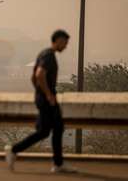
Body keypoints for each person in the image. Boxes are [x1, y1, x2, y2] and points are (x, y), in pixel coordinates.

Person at [5, 30, 77, 173]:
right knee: (46, 131)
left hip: (44, 98)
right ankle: (14, 150)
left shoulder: (44, 54)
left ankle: (58, 163)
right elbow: (39, 75)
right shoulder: (48, 56)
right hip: (48, 100)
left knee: (55, 129)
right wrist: (48, 95)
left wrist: (39, 92)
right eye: (65, 42)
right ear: (57, 40)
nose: (66, 46)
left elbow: (33, 78)